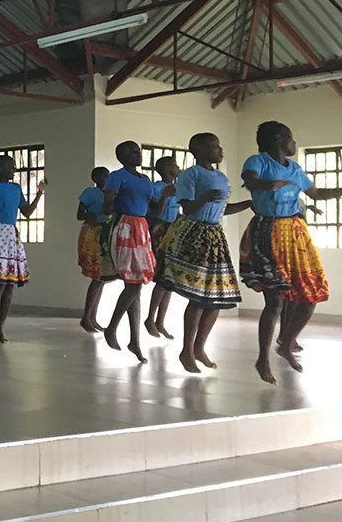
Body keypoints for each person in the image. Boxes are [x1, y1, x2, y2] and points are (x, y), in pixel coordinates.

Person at [240, 121, 342, 385]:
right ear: (278, 139)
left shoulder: (296, 170)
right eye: (291, 138)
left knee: (311, 295)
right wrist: (268, 184)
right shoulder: (258, 161)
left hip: (296, 233)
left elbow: (317, 193)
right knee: (274, 301)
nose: (294, 144)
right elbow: (249, 180)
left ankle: (286, 343)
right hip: (269, 231)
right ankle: (263, 357)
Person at [157, 134, 249, 373]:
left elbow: (221, 208)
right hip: (194, 233)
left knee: (216, 297)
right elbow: (187, 207)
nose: (220, 150)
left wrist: (248, 205)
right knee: (198, 297)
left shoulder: (221, 176)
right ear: (198, 149)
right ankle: (186, 350)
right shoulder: (190, 175)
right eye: (213, 146)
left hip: (215, 235)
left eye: (219, 145)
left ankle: (200, 347)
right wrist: (206, 197)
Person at [101, 141, 162, 364]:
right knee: (134, 283)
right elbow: (107, 204)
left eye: (138, 151)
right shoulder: (117, 176)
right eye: (133, 151)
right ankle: (112, 327)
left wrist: (164, 197)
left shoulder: (145, 180)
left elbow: (155, 207)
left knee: (135, 284)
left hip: (142, 227)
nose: (138, 154)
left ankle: (134, 340)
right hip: (126, 226)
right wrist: (110, 201)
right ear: (122, 156)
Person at [0, 154, 45, 343]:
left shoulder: (15, 188)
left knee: (10, 283)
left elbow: (27, 212)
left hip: (11, 235)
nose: (14, 169)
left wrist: (39, 194)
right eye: (11, 166)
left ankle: (1, 326)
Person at [145, 156, 181, 340]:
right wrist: (165, 197)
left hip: (173, 230)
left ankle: (160, 321)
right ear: (167, 169)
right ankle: (150, 318)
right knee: (163, 277)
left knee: (170, 280)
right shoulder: (157, 188)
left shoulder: (178, 188)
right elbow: (152, 213)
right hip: (160, 231)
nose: (178, 168)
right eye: (174, 166)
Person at [76, 167, 111, 332]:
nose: (107, 178)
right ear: (96, 178)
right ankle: (86, 318)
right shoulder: (90, 192)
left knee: (102, 277)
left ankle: (92, 317)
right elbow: (79, 214)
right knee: (97, 276)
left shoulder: (112, 194)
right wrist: (93, 217)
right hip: (93, 234)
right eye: (104, 176)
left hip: (105, 233)